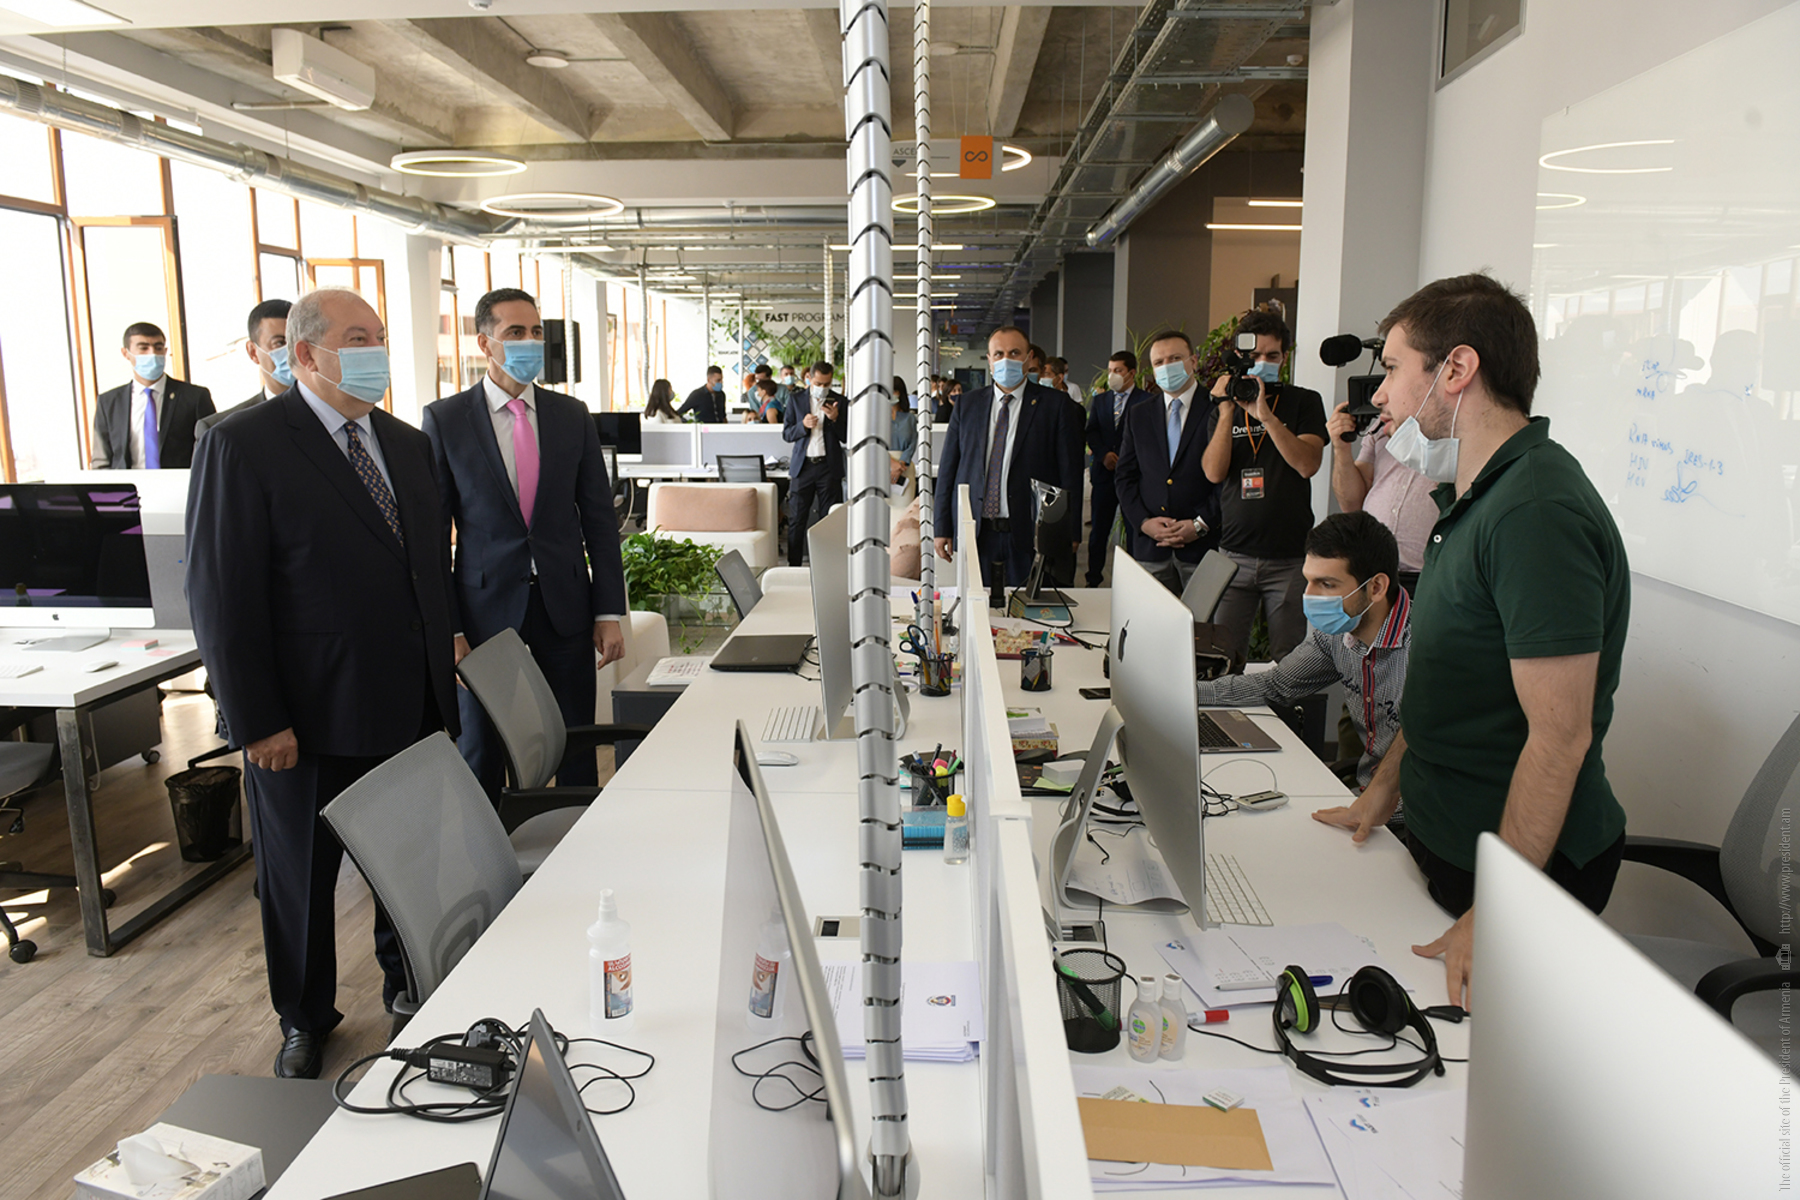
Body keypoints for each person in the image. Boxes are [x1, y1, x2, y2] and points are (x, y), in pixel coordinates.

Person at [1311, 273, 1630, 1010]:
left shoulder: (1535, 512)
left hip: (1518, 879)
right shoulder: (1474, 497)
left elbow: (1560, 737)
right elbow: (1446, 684)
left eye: (1393, 368)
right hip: (1447, 844)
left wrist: (1500, 914)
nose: (1380, 394)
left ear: (1456, 369)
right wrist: (1381, 792)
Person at [185, 287, 458, 1079]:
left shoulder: (406, 443)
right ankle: (304, 1017)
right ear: (305, 353)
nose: (376, 351)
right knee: (302, 881)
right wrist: (256, 718)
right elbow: (222, 595)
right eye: (357, 338)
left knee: (408, 864)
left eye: (379, 336)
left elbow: (424, 571)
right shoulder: (242, 444)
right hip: (303, 720)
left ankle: (408, 984)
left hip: (410, 705)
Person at [422, 286, 629, 803]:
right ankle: (488, 847)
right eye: (515, 332)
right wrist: (451, 629)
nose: (529, 342)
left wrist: (609, 611)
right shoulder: (445, 419)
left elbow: (599, 521)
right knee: (482, 746)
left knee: (575, 738)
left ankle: (576, 836)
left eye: (536, 332)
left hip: (565, 604)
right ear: (484, 343)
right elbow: (433, 538)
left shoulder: (571, 415)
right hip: (485, 612)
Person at [1197, 512, 1409, 790]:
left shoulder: (1426, 648)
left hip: (1413, 806)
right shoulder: (1337, 634)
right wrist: (1181, 693)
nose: (1309, 595)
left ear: (1376, 587)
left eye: (1327, 584)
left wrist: (1369, 808)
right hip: (1367, 793)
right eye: (1308, 580)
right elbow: (1275, 685)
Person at [1202, 308, 1328, 663]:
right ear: (1239, 357)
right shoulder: (1224, 409)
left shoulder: (1304, 401)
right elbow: (1213, 473)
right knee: (1224, 657)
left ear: (1284, 358)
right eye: (1254, 355)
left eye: (1272, 356)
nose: (1263, 363)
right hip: (1234, 554)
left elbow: (1307, 465)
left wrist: (1266, 416)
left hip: (1288, 557)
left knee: (1289, 658)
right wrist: (1227, 411)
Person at [931, 326, 1083, 586]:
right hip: (978, 532)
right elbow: (948, 470)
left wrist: (1071, 531)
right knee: (978, 606)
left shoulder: (1056, 406)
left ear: (1029, 357)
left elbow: (1070, 474)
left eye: (1014, 353)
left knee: (1027, 608)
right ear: (989, 360)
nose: (1006, 360)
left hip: (1029, 534)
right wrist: (942, 526)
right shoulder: (967, 405)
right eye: (999, 354)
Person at [1115, 331, 1220, 592]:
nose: (1166, 366)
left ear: (1193, 361)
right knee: (1152, 617)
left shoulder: (1218, 409)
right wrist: (1143, 522)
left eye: (1175, 358)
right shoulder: (1139, 414)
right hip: (1151, 547)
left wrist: (1201, 524)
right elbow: (1125, 476)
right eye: (1159, 362)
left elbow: (1228, 479)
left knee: (1203, 618)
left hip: (1203, 547)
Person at [1327, 394, 1436, 594]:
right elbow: (1351, 504)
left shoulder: (1446, 418)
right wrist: (1341, 447)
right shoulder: (1380, 425)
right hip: (1373, 568)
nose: (1379, 396)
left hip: (1429, 573)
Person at [91, 321, 215, 468]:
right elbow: (102, 460)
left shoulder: (194, 397)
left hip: (181, 481)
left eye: (158, 348)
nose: (152, 354)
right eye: (144, 348)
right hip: (129, 482)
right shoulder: (109, 403)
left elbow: (211, 450)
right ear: (126, 353)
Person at [1084, 350, 1152, 585]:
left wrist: (1125, 459)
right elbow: (1092, 431)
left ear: (1131, 373)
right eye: (1110, 370)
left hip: (1133, 477)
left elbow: (1148, 437)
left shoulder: (1146, 401)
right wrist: (1103, 454)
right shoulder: (1101, 400)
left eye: (1118, 370)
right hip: (1104, 475)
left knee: (1134, 530)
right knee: (1098, 531)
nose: (1112, 375)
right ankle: (1093, 578)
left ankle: (1132, 581)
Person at [1027, 343, 1084, 588]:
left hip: (1052, 511)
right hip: (1021, 517)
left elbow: (1071, 472)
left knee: (1054, 584)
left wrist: (1072, 529)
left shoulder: (1068, 408)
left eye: (1035, 371)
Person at [782, 361, 848, 567]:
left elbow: (846, 436)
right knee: (797, 519)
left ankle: (827, 566)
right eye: (819, 383)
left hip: (829, 467)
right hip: (803, 467)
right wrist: (803, 425)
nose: (822, 387)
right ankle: (793, 566)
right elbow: (787, 434)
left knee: (829, 520)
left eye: (827, 384)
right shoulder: (795, 399)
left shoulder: (839, 401)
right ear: (809, 379)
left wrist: (835, 419)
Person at [197, 299, 290, 437]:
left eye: (297, 341)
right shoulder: (221, 430)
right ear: (253, 352)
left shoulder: (324, 410)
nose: (293, 351)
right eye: (280, 343)